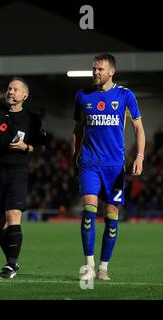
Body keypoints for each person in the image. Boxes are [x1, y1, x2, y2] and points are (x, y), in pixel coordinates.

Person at [73, 53, 145, 281]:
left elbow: (138, 128)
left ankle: (104, 267)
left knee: (111, 215)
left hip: (114, 166)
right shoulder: (82, 96)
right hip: (89, 163)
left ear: (111, 72)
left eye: (100, 69)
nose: (95, 72)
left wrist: (140, 156)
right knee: (89, 211)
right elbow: (77, 130)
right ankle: (89, 267)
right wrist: (75, 156)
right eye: (94, 69)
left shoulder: (125, 96)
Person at [0, 43, 46, 279]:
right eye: (9, 88)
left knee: (13, 216)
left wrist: (26, 146)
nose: (10, 92)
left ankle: (11, 263)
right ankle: (11, 261)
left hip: (18, 171)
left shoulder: (32, 118)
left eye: (15, 90)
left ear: (24, 95)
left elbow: (40, 145)